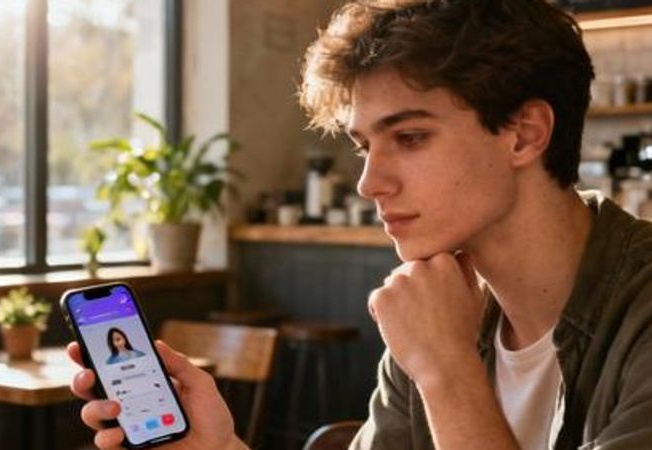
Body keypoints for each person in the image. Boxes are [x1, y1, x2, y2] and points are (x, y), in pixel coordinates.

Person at [69, 0, 652, 449]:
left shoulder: (633, 315)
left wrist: (448, 369)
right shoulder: (436, 307)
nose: (369, 183)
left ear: (524, 134)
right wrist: (219, 447)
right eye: (363, 146)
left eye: (410, 137)